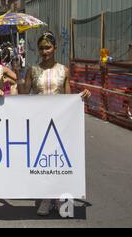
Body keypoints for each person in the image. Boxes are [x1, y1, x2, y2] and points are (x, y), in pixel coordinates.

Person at [16, 32, 91, 216]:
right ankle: (45, 198)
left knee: (58, 160)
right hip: (39, 122)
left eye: (48, 47)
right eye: (41, 48)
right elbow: (24, 93)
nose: (44, 51)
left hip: (59, 123)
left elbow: (67, 98)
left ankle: (59, 198)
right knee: (42, 160)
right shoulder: (33, 70)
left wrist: (82, 97)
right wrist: (19, 73)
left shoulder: (64, 70)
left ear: (55, 48)